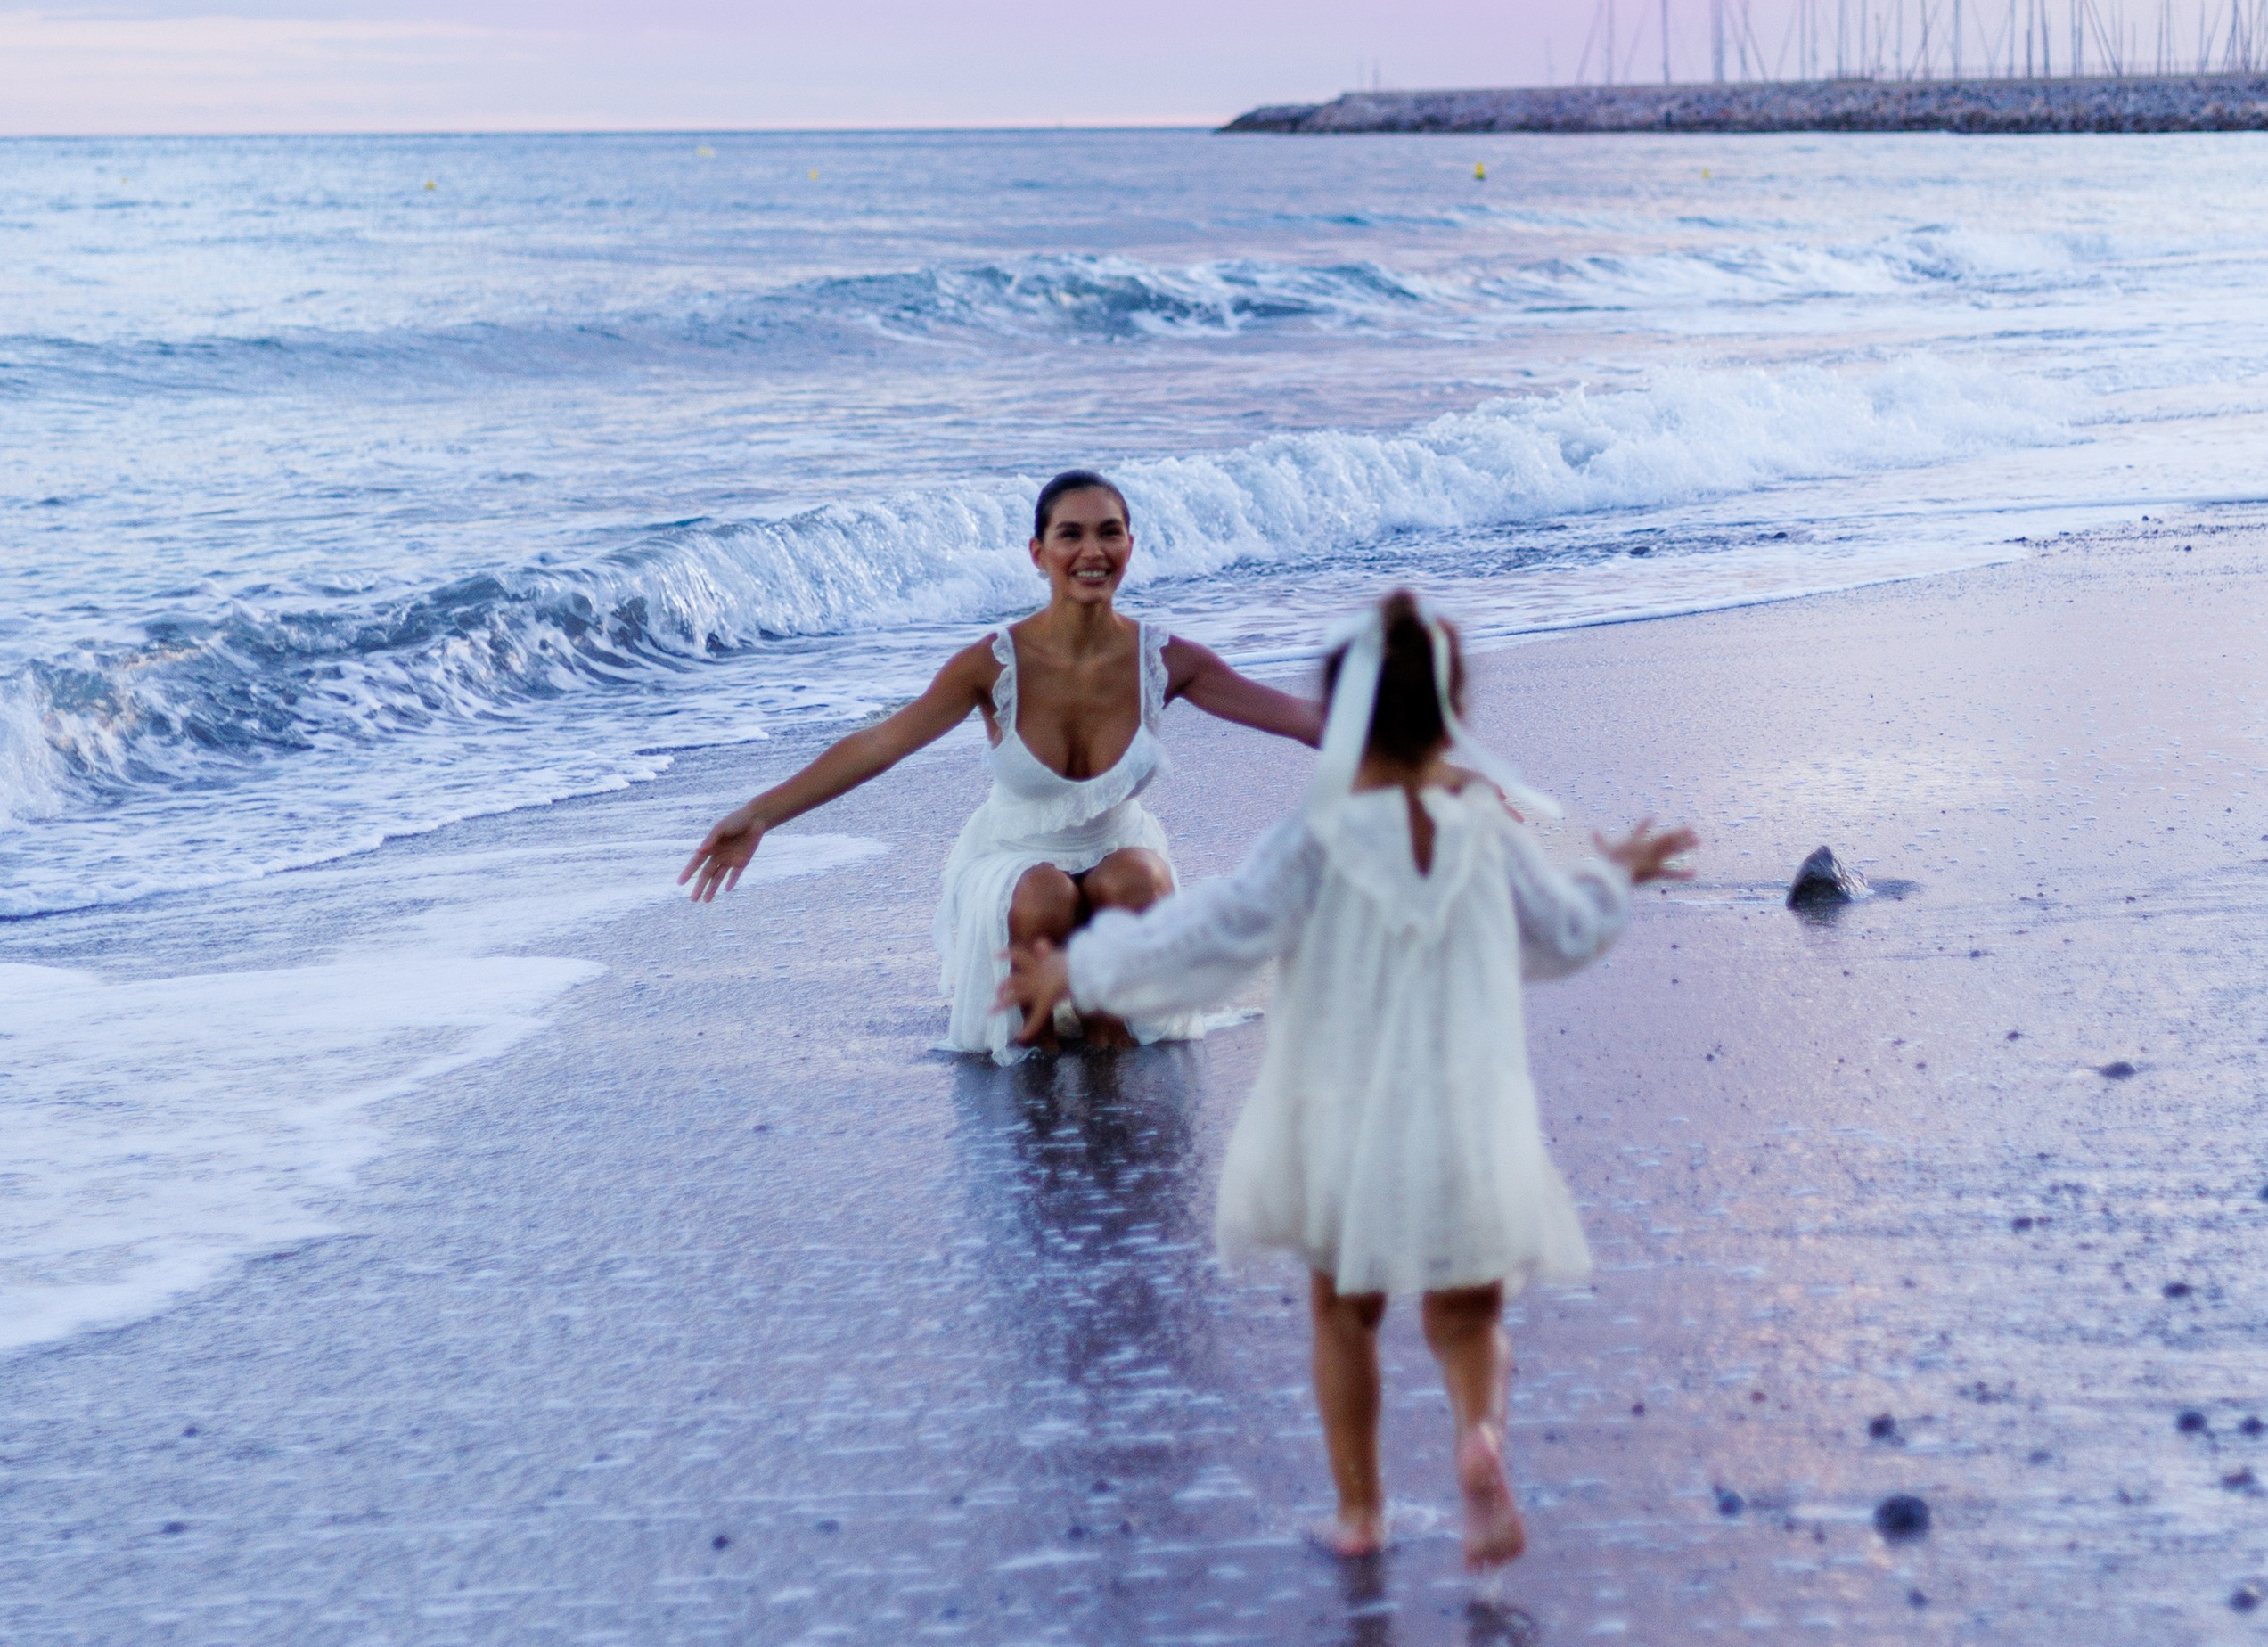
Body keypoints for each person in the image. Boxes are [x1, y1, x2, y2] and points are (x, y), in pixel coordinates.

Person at [1002, 586, 1696, 1569]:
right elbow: (1561, 937)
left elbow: (1205, 938)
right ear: (1446, 713)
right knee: (1466, 1314)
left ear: (1343, 718)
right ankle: (1477, 1440)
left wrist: (1079, 967)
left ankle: (1361, 1515)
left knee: (1342, 1311)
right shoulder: (1484, 831)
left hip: (1336, 1111)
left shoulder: (1313, 841)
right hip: (1465, 1106)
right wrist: (1612, 873)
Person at [679, 467, 1322, 1058]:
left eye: (1109, 533)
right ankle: (1035, 1063)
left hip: (1117, 852)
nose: (1092, 552)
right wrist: (761, 814)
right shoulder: (992, 664)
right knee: (1044, 893)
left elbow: (1298, 719)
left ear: (1130, 545)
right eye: (1070, 535)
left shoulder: (1166, 660)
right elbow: (881, 744)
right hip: (1014, 863)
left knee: (1137, 880)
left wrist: (1412, 732)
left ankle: (1115, 1060)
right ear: (1038, 554)